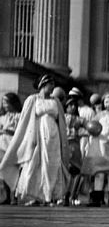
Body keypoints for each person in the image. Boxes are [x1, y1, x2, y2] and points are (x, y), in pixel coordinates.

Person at [0, 74, 69, 206]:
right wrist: (28, 137)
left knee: (52, 164)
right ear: (43, 84)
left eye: (53, 84)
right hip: (38, 134)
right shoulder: (33, 99)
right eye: (50, 84)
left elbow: (61, 121)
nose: (52, 87)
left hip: (53, 136)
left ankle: (51, 195)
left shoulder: (56, 102)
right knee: (34, 163)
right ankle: (35, 195)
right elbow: (25, 121)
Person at [0, 93, 22, 204]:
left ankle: (15, 196)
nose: (4, 105)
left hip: (12, 143)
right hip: (2, 144)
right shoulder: (3, 117)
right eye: (3, 102)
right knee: (3, 169)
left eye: (6, 102)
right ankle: (7, 196)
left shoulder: (19, 116)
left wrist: (7, 131)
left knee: (14, 170)